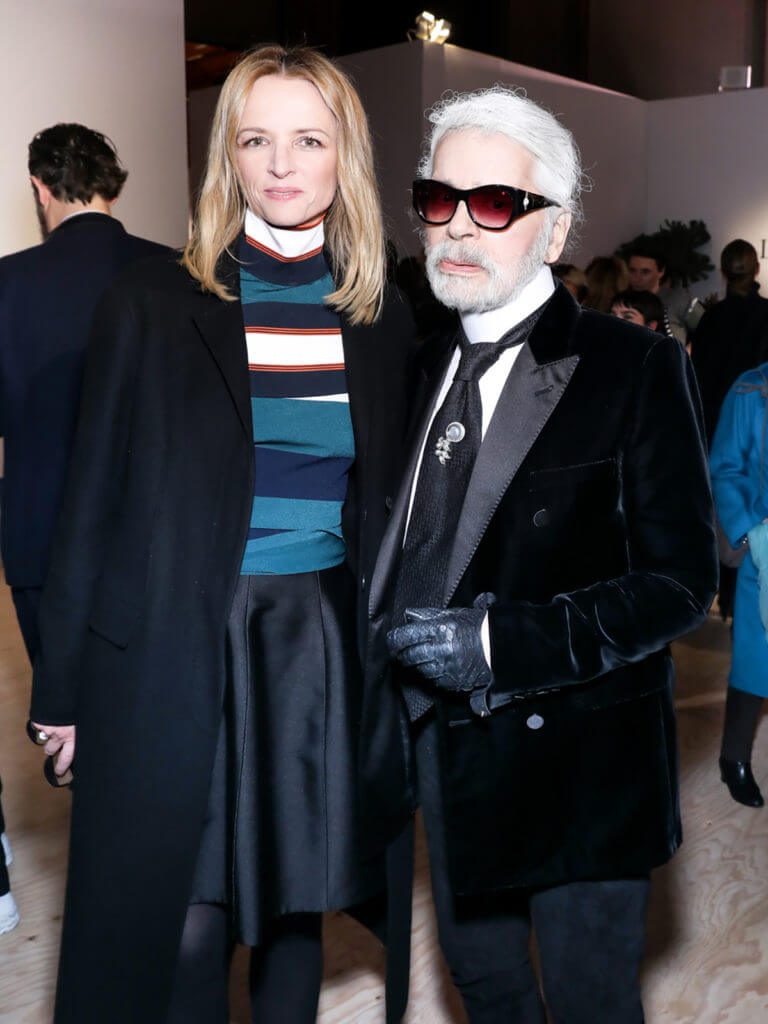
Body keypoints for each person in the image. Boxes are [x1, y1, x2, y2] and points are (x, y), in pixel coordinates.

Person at [28, 45, 416, 1024]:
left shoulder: (380, 316)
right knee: (187, 925)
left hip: (317, 647)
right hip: (174, 646)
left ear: (346, 155)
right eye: (256, 139)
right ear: (227, 156)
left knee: (294, 910)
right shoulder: (151, 302)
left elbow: (393, 510)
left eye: (309, 140)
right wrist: (62, 690)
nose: (281, 164)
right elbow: (88, 505)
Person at [366, 86, 717, 1023]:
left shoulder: (634, 366)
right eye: (439, 199)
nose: (457, 227)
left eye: (494, 203)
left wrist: (502, 645)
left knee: (590, 1000)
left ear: (555, 230)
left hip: (581, 767)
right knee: (486, 986)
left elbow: (682, 581)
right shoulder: (415, 367)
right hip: (448, 760)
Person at [0, 122, 168, 936]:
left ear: (41, 188)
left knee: (73, 722)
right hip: (154, 536)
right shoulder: (175, 272)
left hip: (42, 536)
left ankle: (112, 904)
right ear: (114, 182)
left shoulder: (7, 283)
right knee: (154, 715)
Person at [710, 365, 768, 807]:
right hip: (766, 550)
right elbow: (726, 468)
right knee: (756, 660)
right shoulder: (751, 388)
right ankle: (734, 758)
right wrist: (750, 535)